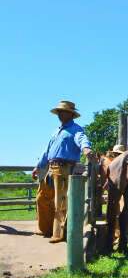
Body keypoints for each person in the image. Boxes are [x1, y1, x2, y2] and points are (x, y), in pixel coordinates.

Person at [32, 101, 94, 243]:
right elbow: (47, 151)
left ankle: (59, 234)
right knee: (41, 198)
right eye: (59, 112)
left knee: (60, 202)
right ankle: (44, 228)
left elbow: (82, 140)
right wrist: (38, 166)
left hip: (64, 168)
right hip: (49, 168)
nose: (60, 114)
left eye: (63, 111)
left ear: (71, 114)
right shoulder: (56, 131)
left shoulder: (76, 129)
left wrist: (86, 149)